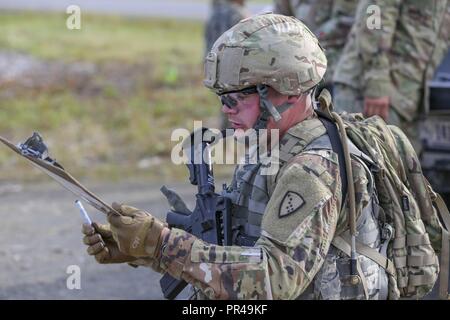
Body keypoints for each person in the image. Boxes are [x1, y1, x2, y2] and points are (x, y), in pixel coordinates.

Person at [81, 14, 435, 300]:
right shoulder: (271, 147)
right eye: (222, 97)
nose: (225, 109)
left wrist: (163, 245)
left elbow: (274, 278)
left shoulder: (312, 169)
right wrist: (143, 250)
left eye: (236, 98)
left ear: (284, 91)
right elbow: (240, 250)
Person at [332, 0, 450, 153]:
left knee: (401, 172)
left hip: (407, 99)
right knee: (357, 170)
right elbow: (374, 12)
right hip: (372, 92)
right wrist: (376, 82)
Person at [273, 0, 359, 89]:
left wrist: (311, 38)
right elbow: (279, 21)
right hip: (299, 58)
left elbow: (346, 20)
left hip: (332, 59)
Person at [205, 0, 250, 130]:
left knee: (226, 107)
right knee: (236, 110)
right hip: (236, 72)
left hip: (215, 71)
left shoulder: (215, 14)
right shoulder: (239, 15)